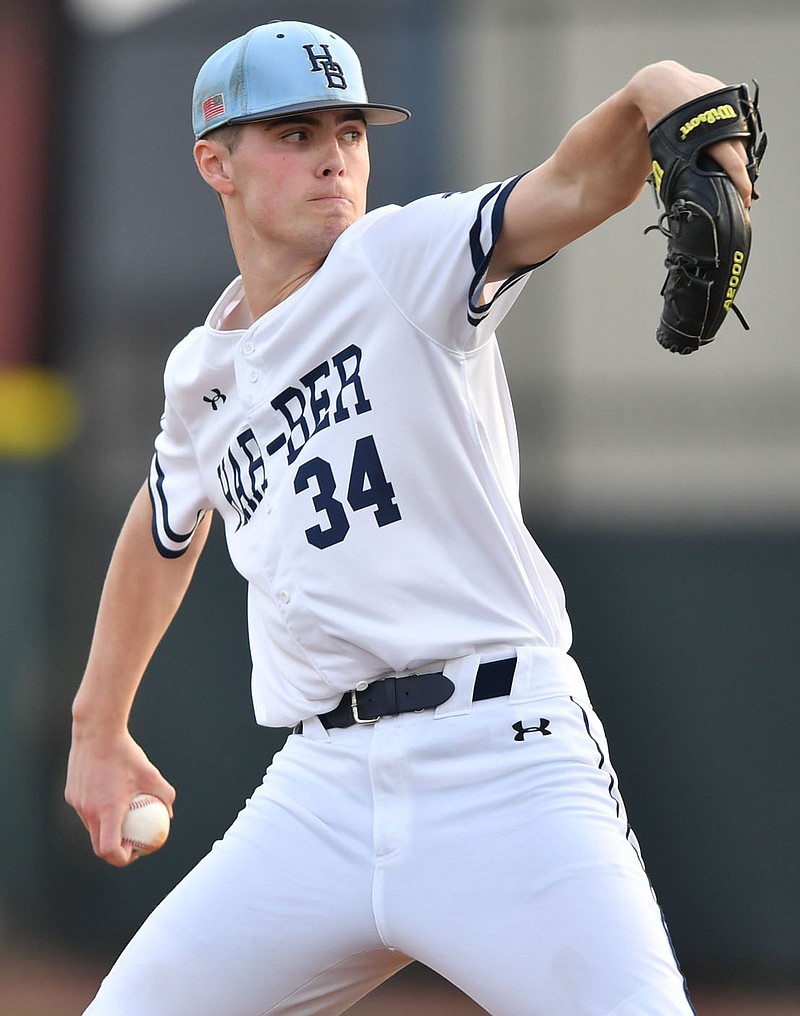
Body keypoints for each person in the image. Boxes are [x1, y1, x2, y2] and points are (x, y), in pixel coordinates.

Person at [65, 19, 755, 1016]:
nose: (333, 157)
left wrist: (659, 85)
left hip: (499, 758)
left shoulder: (398, 259)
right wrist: (96, 722)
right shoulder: (201, 372)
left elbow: (572, 182)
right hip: (320, 788)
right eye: (294, 134)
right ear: (213, 162)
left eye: (349, 130)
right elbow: (164, 522)